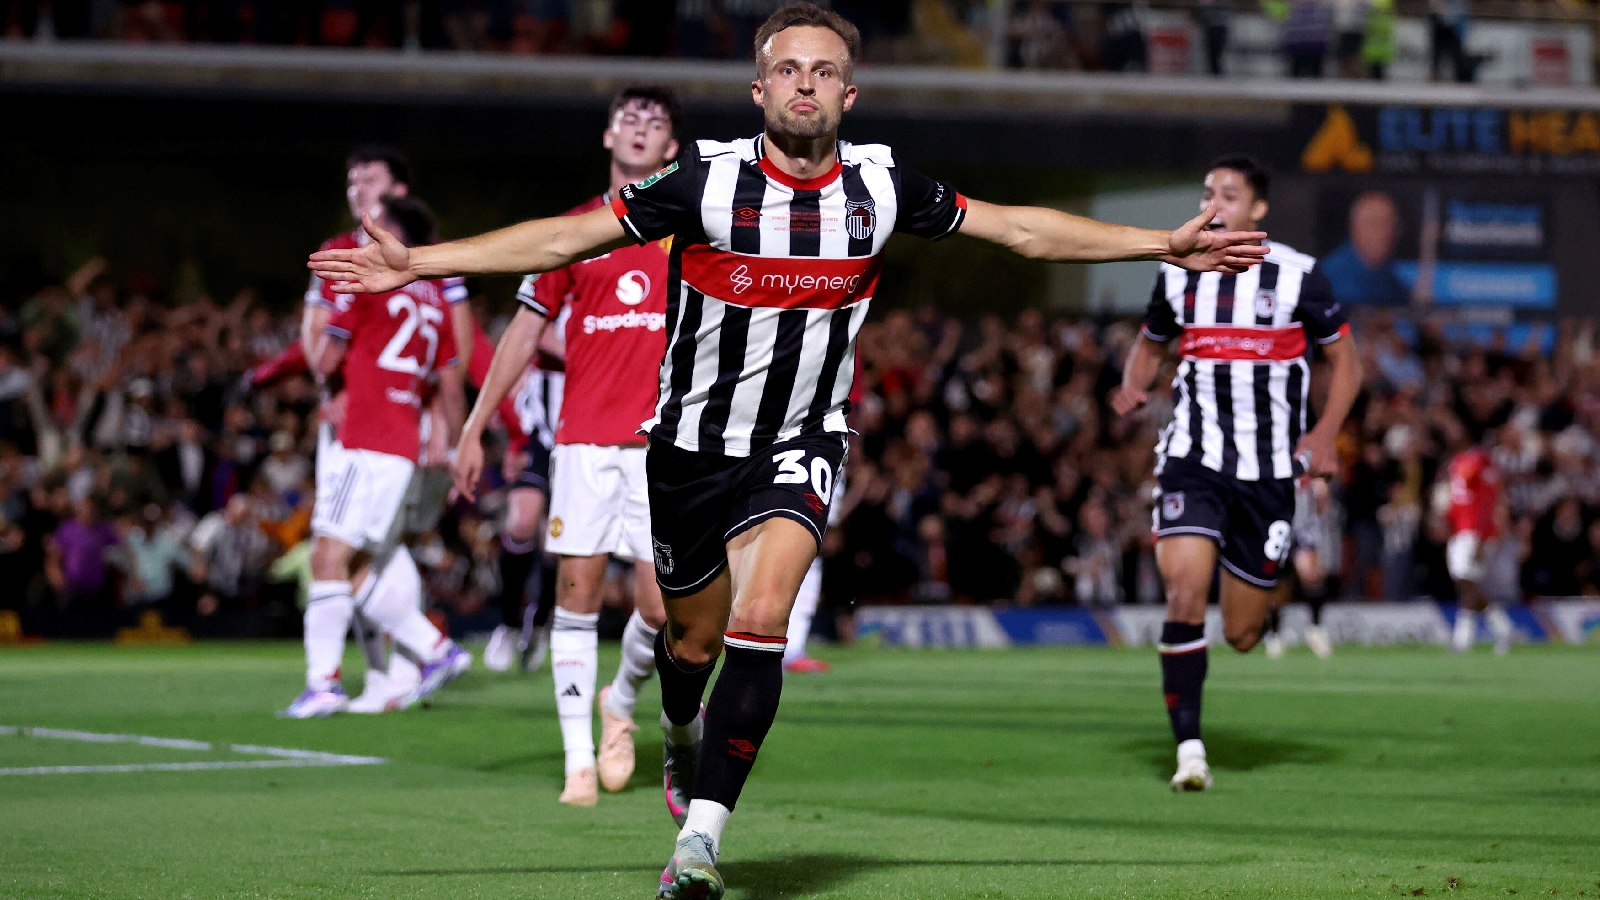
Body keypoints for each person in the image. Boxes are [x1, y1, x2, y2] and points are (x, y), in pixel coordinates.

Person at [310, 6, 1268, 895]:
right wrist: (419, 260)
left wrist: (1160, 244)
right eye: (787, 70)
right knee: (687, 641)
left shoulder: (883, 186)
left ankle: (702, 841)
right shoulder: (704, 183)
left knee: (761, 615)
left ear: (849, 95)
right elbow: (568, 239)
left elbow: (1020, 229)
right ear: (759, 91)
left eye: (824, 72)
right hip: (687, 446)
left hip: (804, 438)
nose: (804, 85)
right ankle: (677, 725)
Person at [454, 84, 680, 807]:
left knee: (664, 605)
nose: (641, 128)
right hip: (582, 440)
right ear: (609, 137)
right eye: (630, 118)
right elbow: (522, 332)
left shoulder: (691, 228)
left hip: (665, 442)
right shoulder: (573, 230)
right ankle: (578, 759)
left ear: (671, 149)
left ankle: (621, 701)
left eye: (656, 122)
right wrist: (474, 423)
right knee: (576, 592)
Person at [1111, 155, 1362, 792]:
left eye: (1229, 192)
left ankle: (1248, 593)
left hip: (1270, 472)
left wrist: (1326, 436)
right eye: (1206, 191)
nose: (1214, 201)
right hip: (1194, 459)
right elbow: (1151, 341)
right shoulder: (1178, 274)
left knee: (1245, 633)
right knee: (1184, 592)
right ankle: (1190, 750)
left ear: (1258, 209)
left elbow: (1347, 365)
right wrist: (1133, 384)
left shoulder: (1301, 276)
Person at [282, 195, 470, 719]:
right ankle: (435, 651)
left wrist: (327, 367)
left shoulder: (368, 280)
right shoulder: (433, 297)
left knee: (328, 556)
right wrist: (455, 444)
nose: (364, 236)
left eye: (375, 227)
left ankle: (324, 684)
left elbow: (324, 354)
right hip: (404, 443)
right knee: (359, 563)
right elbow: (449, 383)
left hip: (364, 439)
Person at [1443, 431, 1514, 654]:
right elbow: (1459, 501)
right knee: (1467, 583)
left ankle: (1462, 640)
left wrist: (1482, 538)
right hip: (1462, 531)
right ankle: (1503, 628)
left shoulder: (1480, 462)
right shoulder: (1457, 463)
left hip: (1475, 532)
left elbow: (1485, 502)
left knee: (1466, 582)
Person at [1261, 475, 1338, 658]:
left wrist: (1320, 487)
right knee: (1277, 585)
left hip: (1303, 526)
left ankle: (1315, 629)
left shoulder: (1304, 457)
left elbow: (1322, 484)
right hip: (1277, 525)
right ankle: (1274, 633)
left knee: (1311, 573)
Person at [1320, 191, 1410, 307]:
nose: (1387, 233)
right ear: (1355, 228)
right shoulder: (1330, 278)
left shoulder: (1389, 275)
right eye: (1376, 223)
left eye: (1392, 224)